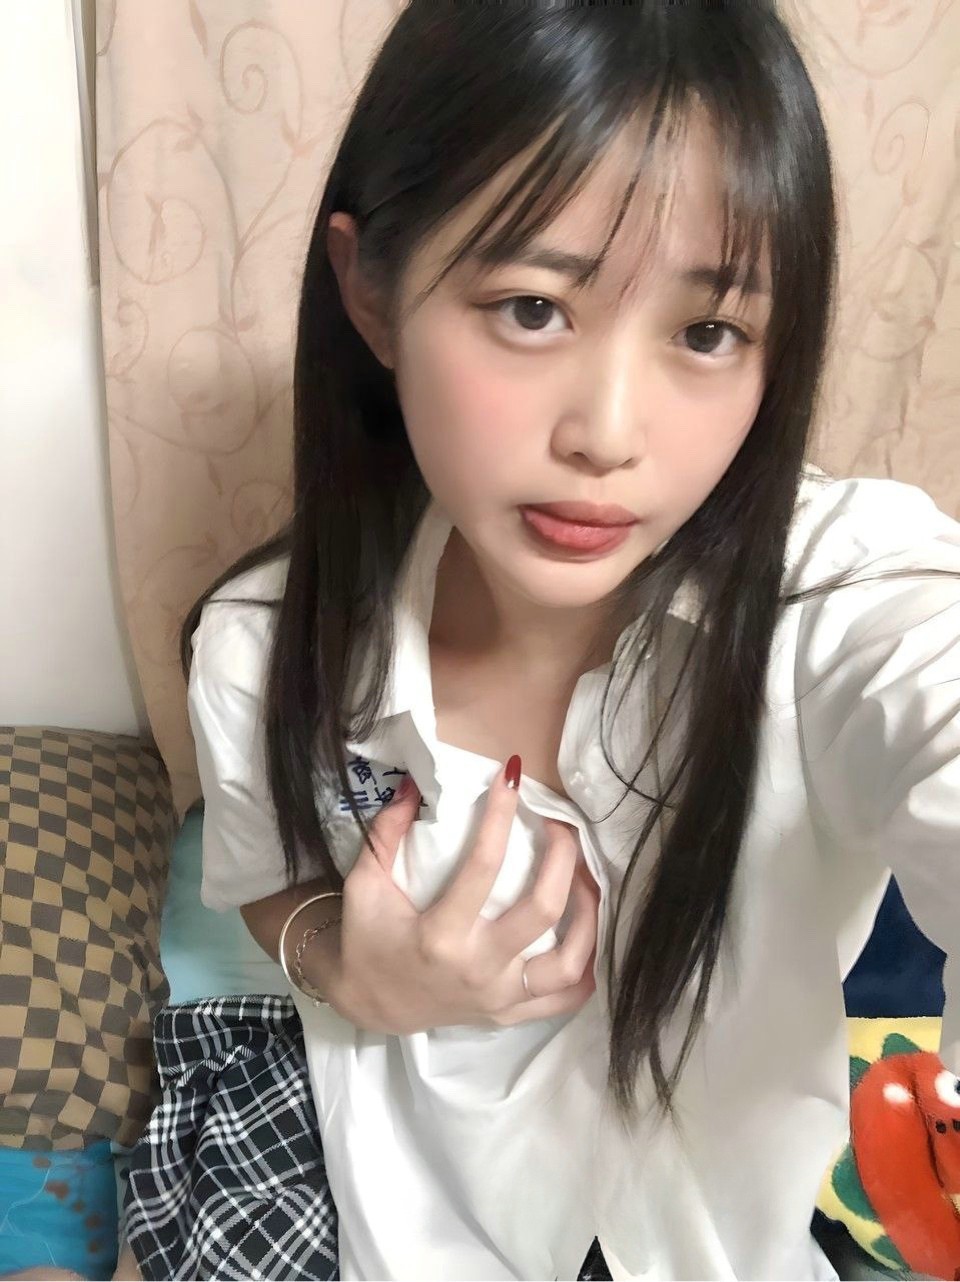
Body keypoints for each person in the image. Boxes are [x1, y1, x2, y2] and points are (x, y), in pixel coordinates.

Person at [113, 3, 960, 1280]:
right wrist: (348, 966)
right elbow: (263, 872)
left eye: (707, 333)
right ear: (372, 289)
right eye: (531, 308)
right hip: (400, 1231)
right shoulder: (262, 646)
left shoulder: (837, 594)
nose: (608, 434)